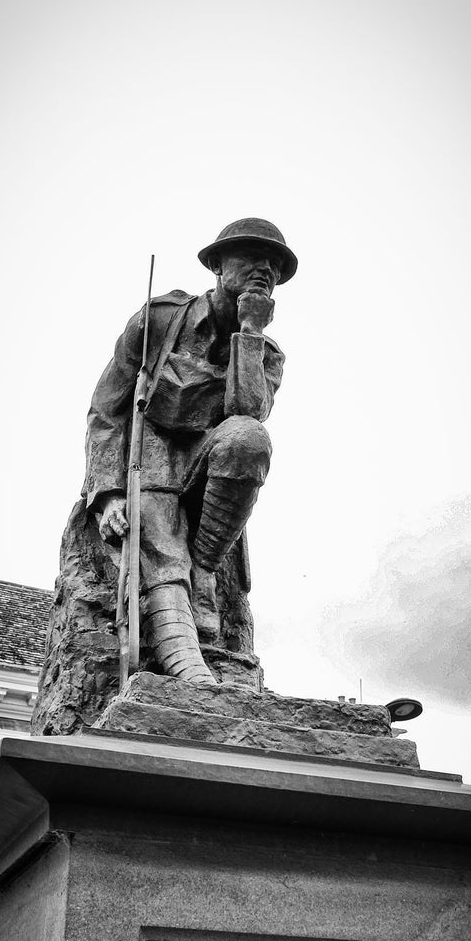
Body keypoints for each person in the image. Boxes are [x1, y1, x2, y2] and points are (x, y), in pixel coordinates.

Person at [38, 220, 297, 723]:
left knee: (249, 439)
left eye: (275, 266)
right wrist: (108, 493)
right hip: (150, 459)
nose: (264, 269)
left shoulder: (265, 353)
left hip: (209, 473)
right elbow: (107, 409)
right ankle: (184, 658)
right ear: (218, 265)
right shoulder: (157, 321)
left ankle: (202, 571)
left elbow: (246, 413)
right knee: (154, 519)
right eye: (249, 256)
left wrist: (249, 332)